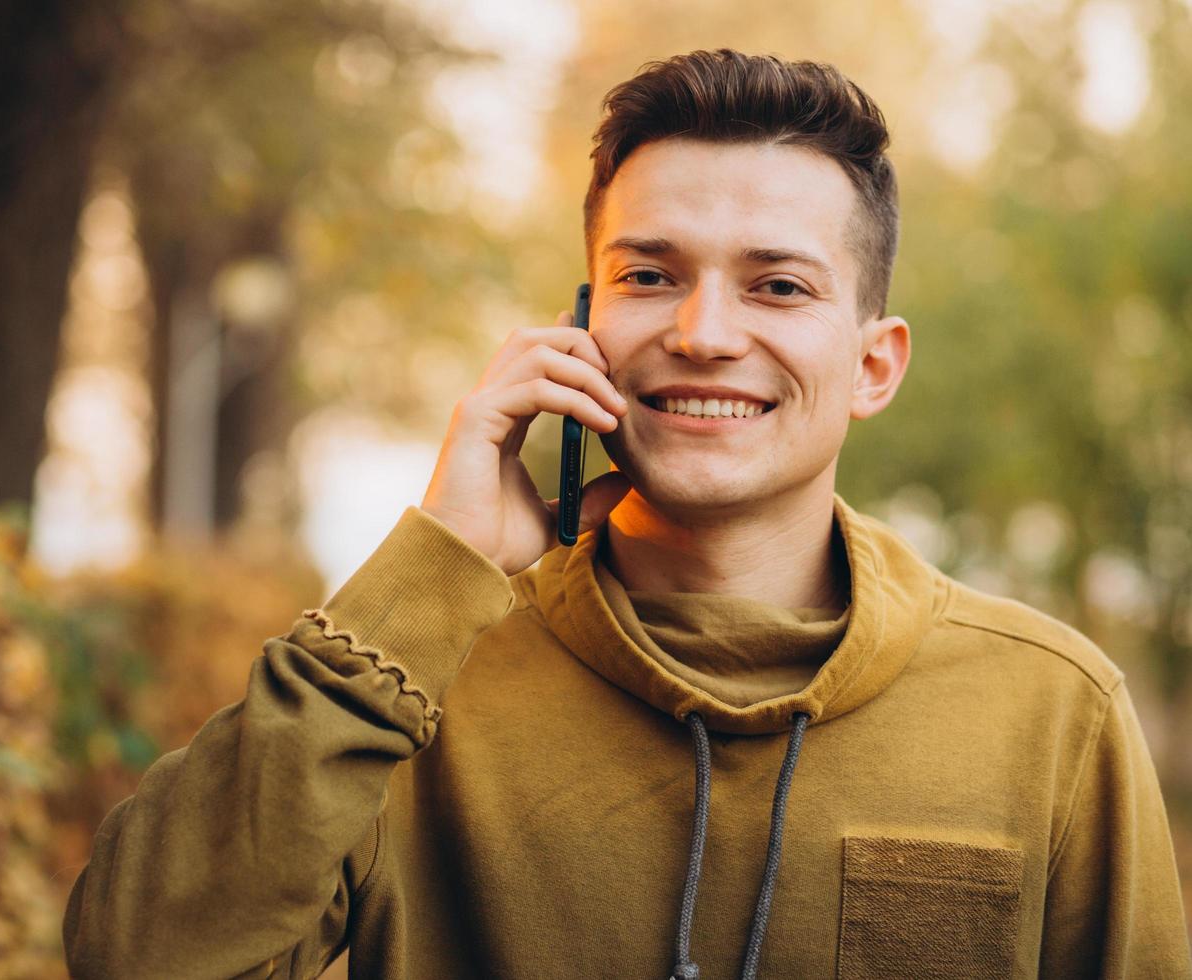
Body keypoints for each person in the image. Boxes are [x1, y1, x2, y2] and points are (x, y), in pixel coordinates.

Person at [62, 49, 1192, 979]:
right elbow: (139, 954)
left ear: (873, 364)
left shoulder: (1052, 709)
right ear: (576, 322)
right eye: (648, 275)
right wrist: (435, 566)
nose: (702, 331)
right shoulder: (416, 677)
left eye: (778, 285)